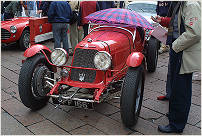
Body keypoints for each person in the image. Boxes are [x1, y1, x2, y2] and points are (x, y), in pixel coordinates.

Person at [152, 1, 201, 133]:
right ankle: (175, 115)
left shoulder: (190, 5)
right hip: (179, 49)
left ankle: (177, 124)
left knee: (181, 89)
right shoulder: (182, 4)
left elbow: (194, 33)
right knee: (177, 85)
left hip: (183, 51)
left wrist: (175, 46)